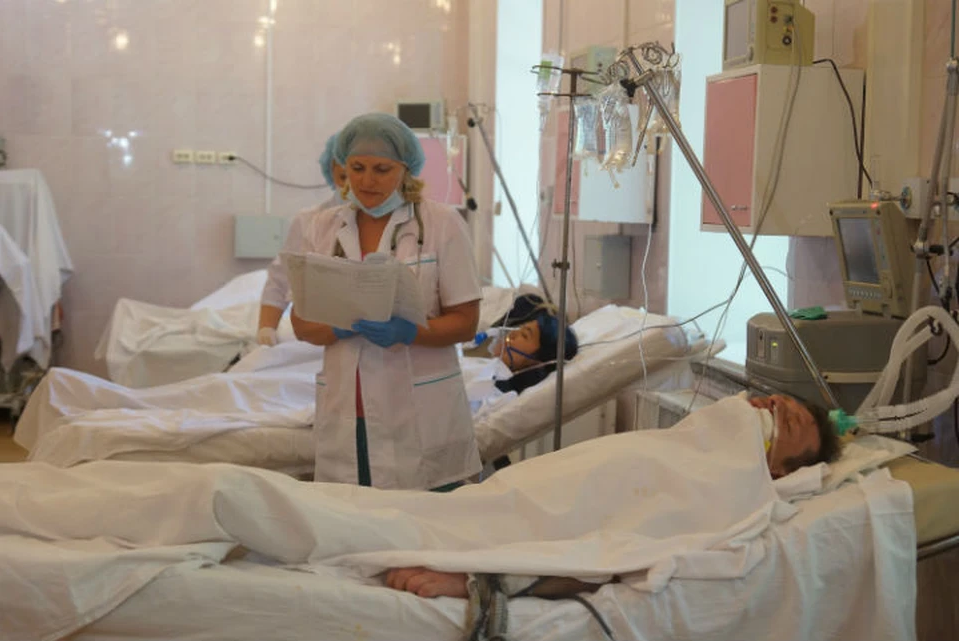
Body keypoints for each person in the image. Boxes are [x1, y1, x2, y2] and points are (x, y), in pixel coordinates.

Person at [384, 392, 842, 599]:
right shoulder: (683, 445)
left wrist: (479, 580)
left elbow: (618, 554)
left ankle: (467, 559)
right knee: (456, 511)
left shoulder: (734, 498)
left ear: (779, 470)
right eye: (771, 401)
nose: (773, 406)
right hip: (532, 491)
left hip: (549, 525)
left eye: (790, 422)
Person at [291, 113, 483, 491]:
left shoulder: (442, 223)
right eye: (356, 168)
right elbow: (302, 323)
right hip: (348, 407)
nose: (367, 181)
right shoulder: (323, 227)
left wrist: (410, 332)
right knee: (351, 516)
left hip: (417, 408)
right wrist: (337, 326)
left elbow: (465, 322)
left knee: (424, 520)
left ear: (406, 169)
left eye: (381, 169)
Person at [257, 133, 350, 346]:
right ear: (331, 172)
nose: (351, 185)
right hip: (314, 335)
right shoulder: (309, 220)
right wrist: (266, 328)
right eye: (343, 176)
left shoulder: (398, 223)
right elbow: (281, 277)